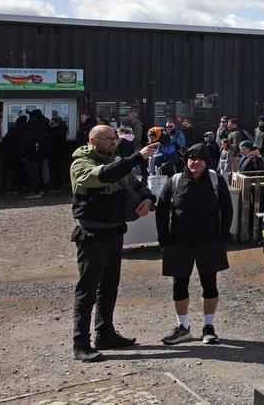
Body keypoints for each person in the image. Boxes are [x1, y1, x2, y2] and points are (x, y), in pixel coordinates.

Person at [69, 126, 158, 362]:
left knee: (109, 287)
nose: (112, 141)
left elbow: (136, 184)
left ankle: (105, 334)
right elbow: (105, 176)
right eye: (107, 138)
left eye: (114, 138)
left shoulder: (117, 161)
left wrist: (148, 198)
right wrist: (137, 157)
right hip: (92, 234)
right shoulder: (80, 164)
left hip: (114, 230)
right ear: (92, 141)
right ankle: (80, 344)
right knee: (87, 290)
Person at [156, 144, 233, 345]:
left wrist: (223, 237)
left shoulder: (216, 180)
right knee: (179, 285)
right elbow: (161, 210)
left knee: (210, 284)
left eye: (200, 159)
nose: (195, 162)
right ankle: (183, 328)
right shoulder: (175, 181)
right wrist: (164, 240)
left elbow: (227, 208)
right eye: (191, 158)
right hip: (179, 243)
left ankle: (208, 327)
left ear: (207, 161)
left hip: (209, 241)